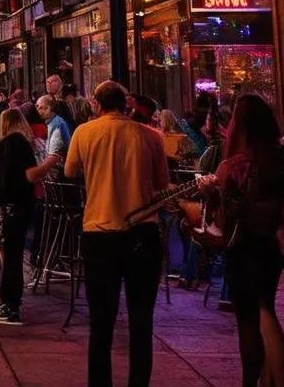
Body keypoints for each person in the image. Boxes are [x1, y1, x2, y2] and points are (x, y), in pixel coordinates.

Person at [64, 81, 169, 387]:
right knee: (141, 321)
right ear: (127, 105)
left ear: (97, 104)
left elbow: (71, 171)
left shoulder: (84, 132)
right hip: (142, 234)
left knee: (101, 322)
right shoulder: (150, 136)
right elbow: (161, 181)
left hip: (99, 231)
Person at [205, 94, 284, 387]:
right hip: (270, 245)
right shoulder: (281, 159)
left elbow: (220, 218)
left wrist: (210, 190)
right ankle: (271, 379)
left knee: (249, 320)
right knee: (267, 308)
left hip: (242, 246)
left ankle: (253, 380)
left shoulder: (233, 166)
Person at [0, 109, 46, 325]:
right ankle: (7, 302)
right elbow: (28, 175)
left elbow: (25, 175)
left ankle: (10, 304)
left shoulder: (11, 142)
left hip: (12, 207)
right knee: (11, 258)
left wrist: (50, 162)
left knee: (12, 258)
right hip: (17, 206)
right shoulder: (20, 142)